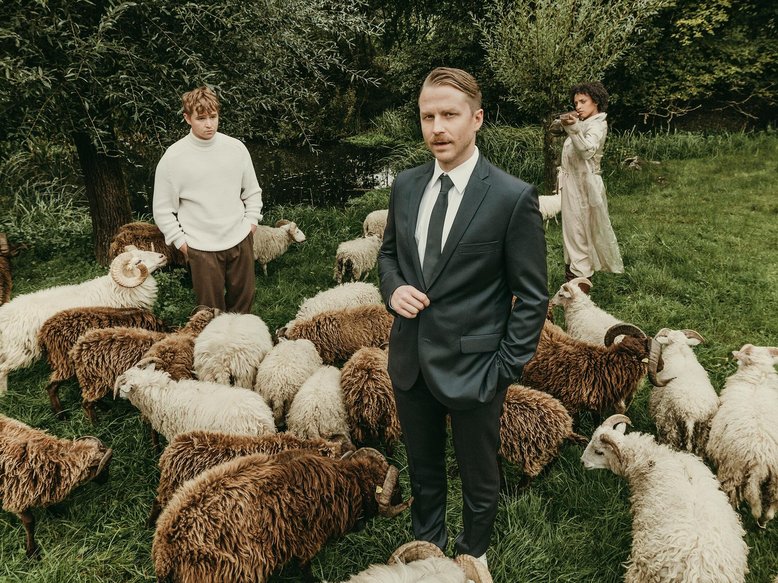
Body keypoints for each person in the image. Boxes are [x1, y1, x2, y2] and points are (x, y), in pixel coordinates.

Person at [378, 67, 548, 570]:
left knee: (479, 475)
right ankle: (429, 558)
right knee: (423, 470)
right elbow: (388, 255)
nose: (437, 128)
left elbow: (532, 296)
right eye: (427, 116)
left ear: (476, 119)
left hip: (478, 368)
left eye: (449, 115)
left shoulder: (511, 197)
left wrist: (504, 368)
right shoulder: (406, 185)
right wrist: (394, 288)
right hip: (410, 360)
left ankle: (474, 554)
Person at [153, 85, 262, 313]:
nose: (209, 124)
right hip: (200, 247)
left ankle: (241, 337)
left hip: (239, 238)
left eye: (213, 117)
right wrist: (183, 244)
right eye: (201, 118)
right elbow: (162, 210)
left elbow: (252, 191)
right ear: (187, 118)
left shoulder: (236, 149)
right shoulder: (173, 158)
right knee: (210, 312)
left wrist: (251, 224)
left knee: (243, 306)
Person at [556, 81, 623, 293]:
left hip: (584, 187)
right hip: (572, 185)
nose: (578, 106)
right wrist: (565, 122)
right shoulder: (583, 122)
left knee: (580, 236)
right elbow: (557, 130)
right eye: (575, 102)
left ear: (596, 101)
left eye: (583, 101)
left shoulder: (597, 125)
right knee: (573, 236)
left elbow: (587, 151)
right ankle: (571, 288)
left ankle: (578, 297)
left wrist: (572, 127)